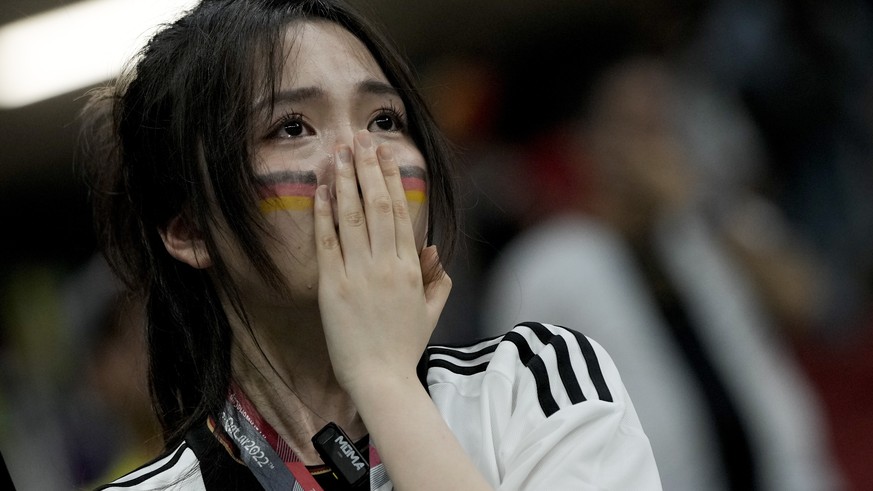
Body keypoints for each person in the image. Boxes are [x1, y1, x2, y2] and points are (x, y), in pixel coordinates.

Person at [79, 1, 660, 490]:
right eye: (292, 128)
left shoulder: (533, 383)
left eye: (384, 119)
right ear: (190, 229)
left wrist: (383, 379)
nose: (365, 160)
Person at [482, 57, 842, 491]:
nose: (656, 145)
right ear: (589, 145)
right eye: (637, 127)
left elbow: (805, 301)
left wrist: (704, 205)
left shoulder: (715, 224)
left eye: (666, 125)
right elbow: (520, 422)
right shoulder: (546, 265)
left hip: (786, 474)